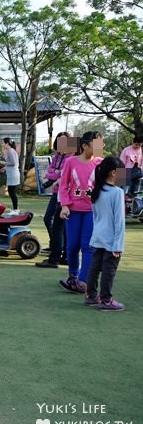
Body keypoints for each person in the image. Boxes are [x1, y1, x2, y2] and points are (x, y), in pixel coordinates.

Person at [58, 131, 104, 294]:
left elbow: (116, 181)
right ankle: (73, 276)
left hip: (92, 211)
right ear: (85, 146)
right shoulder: (70, 162)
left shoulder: (102, 163)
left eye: (102, 143)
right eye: (97, 143)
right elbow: (63, 185)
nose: (102, 146)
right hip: (73, 210)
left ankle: (83, 281)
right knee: (72, 246)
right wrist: (65, 205)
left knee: (87, 246)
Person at [84, 157, 126, 311]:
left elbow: (96, 217)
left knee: (94, 267)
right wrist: (118, 245)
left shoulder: (97, 192)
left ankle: (91, 296)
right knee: (109, 269)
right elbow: (119, 222)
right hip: (111, 239)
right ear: (114, 173)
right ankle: (106, 300)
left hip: (98, 237)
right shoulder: (117, 192)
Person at [36, 132, 70, 268]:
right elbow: (49, 173)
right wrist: (55, 176)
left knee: (61, 227)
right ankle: (57, 248)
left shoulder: (70, 158)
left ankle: (59, 255)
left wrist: (56, 175)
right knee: (53, 222)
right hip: (57, 193)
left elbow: (61, 174)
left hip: (66, 195)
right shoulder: (57, 156)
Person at [0, 138, 20, 215]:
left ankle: (16, 210)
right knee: (11, 191)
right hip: (12, 173)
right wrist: (5, 167)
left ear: (7, 143)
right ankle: (15, 209)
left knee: (12, 192)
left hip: (13, 174)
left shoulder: (11, 151)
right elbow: (12, 163)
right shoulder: (11, 151)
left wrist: (4, 162)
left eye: (3, 143)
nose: (3, 144)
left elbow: (14, 163)